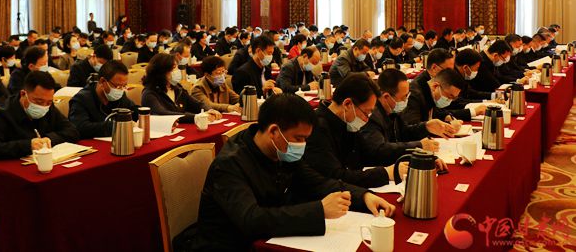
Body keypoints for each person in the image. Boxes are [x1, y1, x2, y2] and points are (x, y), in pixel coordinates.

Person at [192, 93, 394, 252]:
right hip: (229, 245)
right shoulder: (229, 164)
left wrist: (363, 196)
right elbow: (251, 219)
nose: (302, 145)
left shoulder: (281, 151)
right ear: (273, 131)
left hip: (270, 238)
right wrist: (319, 210)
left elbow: (317, 182)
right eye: (299, 138)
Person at [304, 74, 401, 188]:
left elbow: (369, 154)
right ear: (347, 104)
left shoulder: (346, 122)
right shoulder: (317, 129)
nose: (367, 119)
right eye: (366, 113)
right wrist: (385, 174)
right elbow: (335, 177)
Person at [358, 69, 455, 166]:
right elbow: (379, 150)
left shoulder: (393, 109)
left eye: (407, 96)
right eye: (404, 97)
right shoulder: (371, 115)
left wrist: (426, 127)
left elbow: (404, 133)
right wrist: (419, 145)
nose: (406, 100)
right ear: (386, 96)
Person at [0, 71, 79, 161]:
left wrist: (49, 139)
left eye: (48, 102)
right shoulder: (1, 113)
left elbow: (72, 131)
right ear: (23, 94)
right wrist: (28, 145)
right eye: (38, 101)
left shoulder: (48, 107)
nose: (43, 106)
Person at [140, 53, 219, 123]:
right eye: (174, 68)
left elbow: (196, 104)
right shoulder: (149, 93)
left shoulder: (177, 88)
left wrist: (209, 110)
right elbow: (163, 113)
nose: (178, 71)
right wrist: (195, 117)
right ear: (162, 72)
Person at [68, 60, 138, 138]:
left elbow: (133, 110)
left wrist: (143, 114)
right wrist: (117, 125)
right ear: (102, 81)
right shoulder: (81, 99)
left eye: (124, 86)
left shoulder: (120, 95)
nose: (121, 90)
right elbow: (80, 128)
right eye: (118, 86)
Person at [404, 66, 481, 125]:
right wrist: (447, 126)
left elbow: (436, 112)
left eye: (454, 98)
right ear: (435, 86)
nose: (450, 100)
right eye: (450, 96)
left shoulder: (430, 93)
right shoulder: (415, 95)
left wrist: (446, 116)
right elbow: (413, 127)